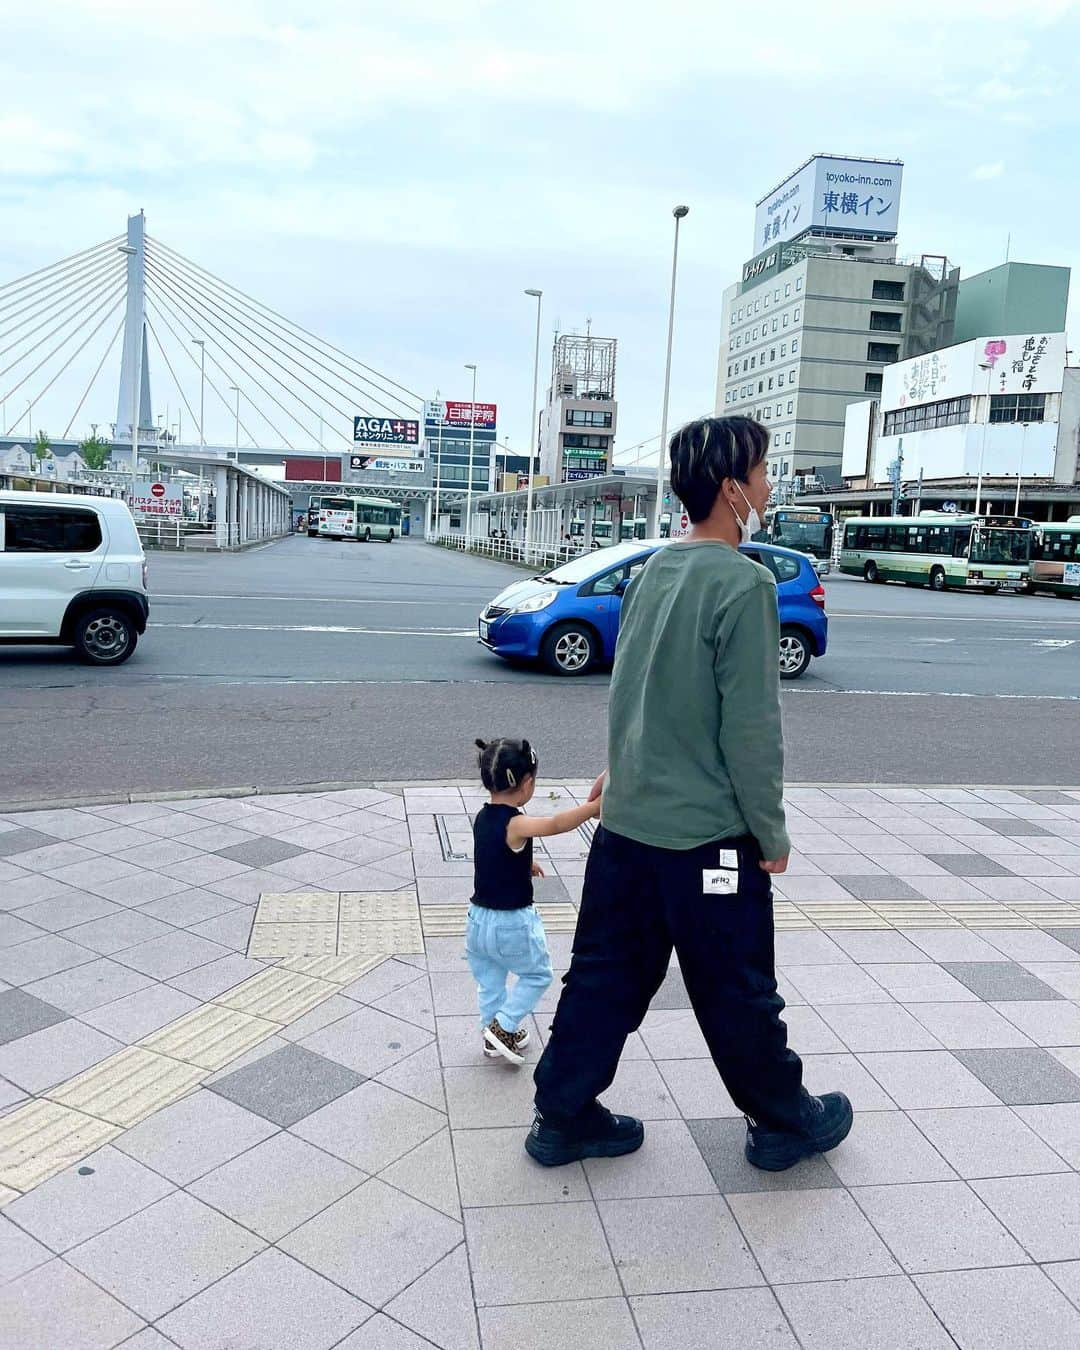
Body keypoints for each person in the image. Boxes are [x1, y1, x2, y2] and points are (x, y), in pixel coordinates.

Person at [528, 415, 852, 1170]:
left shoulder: (649, 573)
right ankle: (783, 1121)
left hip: (627, 828)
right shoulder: (745, 585)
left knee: (605, 976)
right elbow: (750, 731)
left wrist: (621, 771)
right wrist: (770, 835)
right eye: (765, 472)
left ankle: (561, 1115)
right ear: (734, 489)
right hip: (706, 839)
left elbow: (630, 692)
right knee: (737, 988)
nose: (771, 484)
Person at [468, 737, 601, 1065]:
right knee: (538, 974)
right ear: (526, 783)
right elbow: (555, 824)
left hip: (477, 921)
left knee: (491, 980)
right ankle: (504, 1026)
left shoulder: (483, 818)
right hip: (510, 922)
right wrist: (594, 808)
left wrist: (523, 863)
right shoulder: (517, 822)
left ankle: (492, 1031)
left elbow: (492, 854)